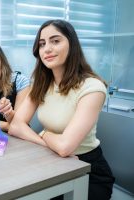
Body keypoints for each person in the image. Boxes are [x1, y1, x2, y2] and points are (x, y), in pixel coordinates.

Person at [9, 20, 115, 200]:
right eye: (42, 44)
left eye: (55, 41)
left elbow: (66, 147)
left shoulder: (92, 87)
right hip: (51, 159)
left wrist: (45, 134)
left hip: (88, 168)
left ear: (72, 44)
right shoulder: (41, 84)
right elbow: (15, 126)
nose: (47, 49)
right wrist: (45, 139)